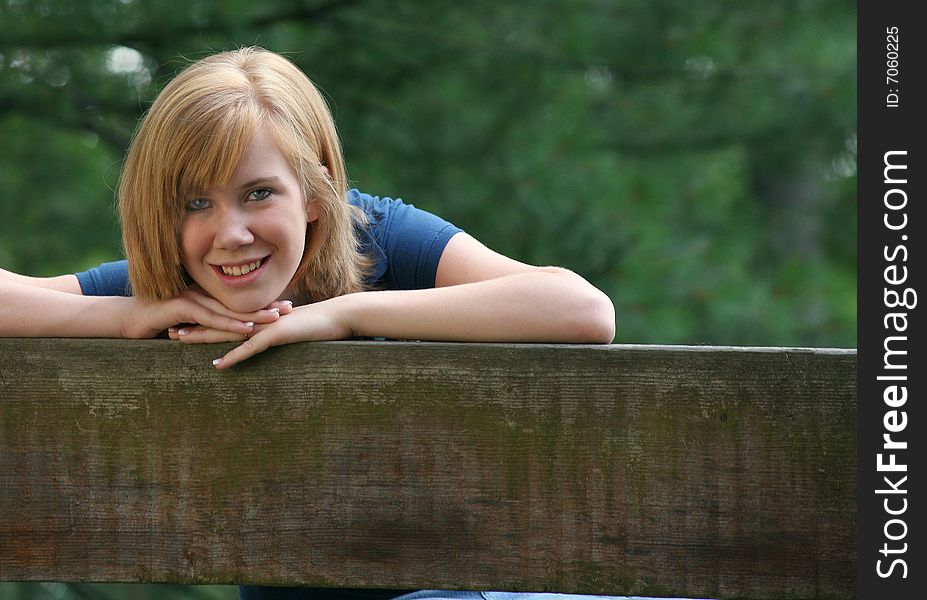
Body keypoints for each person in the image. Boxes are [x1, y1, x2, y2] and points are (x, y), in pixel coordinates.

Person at [1, 47, 617, 599]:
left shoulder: (379, 240)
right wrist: (124, 314)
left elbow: (581, 308)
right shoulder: (177, 286)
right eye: (196, 203)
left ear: (316, 190)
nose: (230, 234)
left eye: (259, 193)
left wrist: (344, 313)